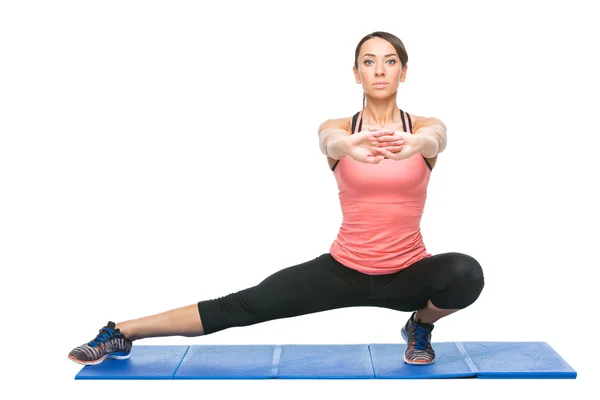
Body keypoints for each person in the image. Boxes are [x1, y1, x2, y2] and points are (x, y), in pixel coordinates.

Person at [68, 31, 484, 367]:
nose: (380, 70)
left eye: (390, 61)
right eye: (369, 61)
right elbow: (329, 139)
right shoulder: (340, 127)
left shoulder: (422, 128)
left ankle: (420, 327)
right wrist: (347, 147)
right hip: (343, 269)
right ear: (356, 73)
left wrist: (415, 145)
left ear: (404, 72)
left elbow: (437, 137)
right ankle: (121, 332)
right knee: (241, 306)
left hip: (407, 274)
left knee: (466, 273)